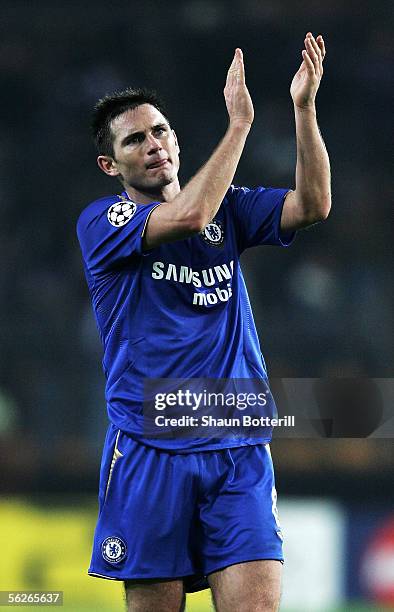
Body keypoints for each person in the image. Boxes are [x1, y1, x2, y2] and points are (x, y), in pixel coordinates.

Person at [77, 32, 330, 612]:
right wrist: (238, 125)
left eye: (160, 131)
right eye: (134, 140)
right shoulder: (103, 223)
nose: (153, 145)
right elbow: (189, 215)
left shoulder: (231, 209)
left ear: (176, 138)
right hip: (148, 447)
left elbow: (313, 204)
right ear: (108, 163)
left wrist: (304, 109)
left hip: (237, 446)